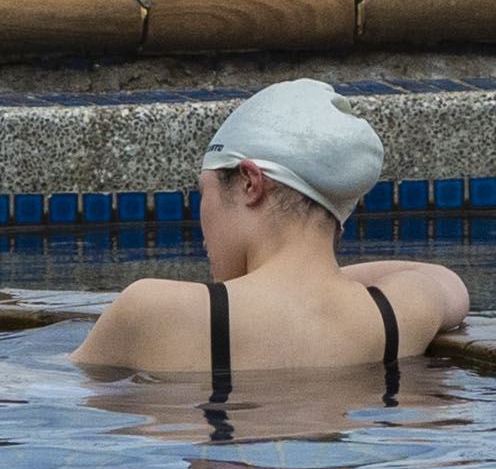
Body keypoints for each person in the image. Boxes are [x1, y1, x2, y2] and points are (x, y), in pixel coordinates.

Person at [70, 80, 468, 400]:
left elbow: (60, 397)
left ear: (249, 183)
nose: (201, 215)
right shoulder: (399, 313)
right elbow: (442, 279)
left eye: (203, 191)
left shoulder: (154, 309)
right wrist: (320, 278)